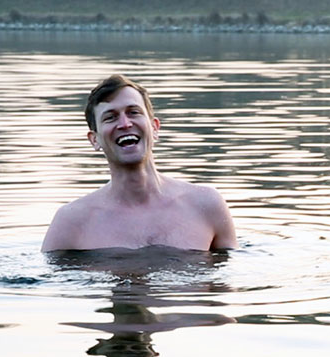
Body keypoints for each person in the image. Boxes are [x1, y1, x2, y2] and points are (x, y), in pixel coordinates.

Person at [42, 74, 236, 252]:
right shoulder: (71, 222)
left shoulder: (206, 205)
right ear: (94, 140)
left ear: (155, 127)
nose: (125, 124)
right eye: (110, 117)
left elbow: (230, 281)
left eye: (133, 112)